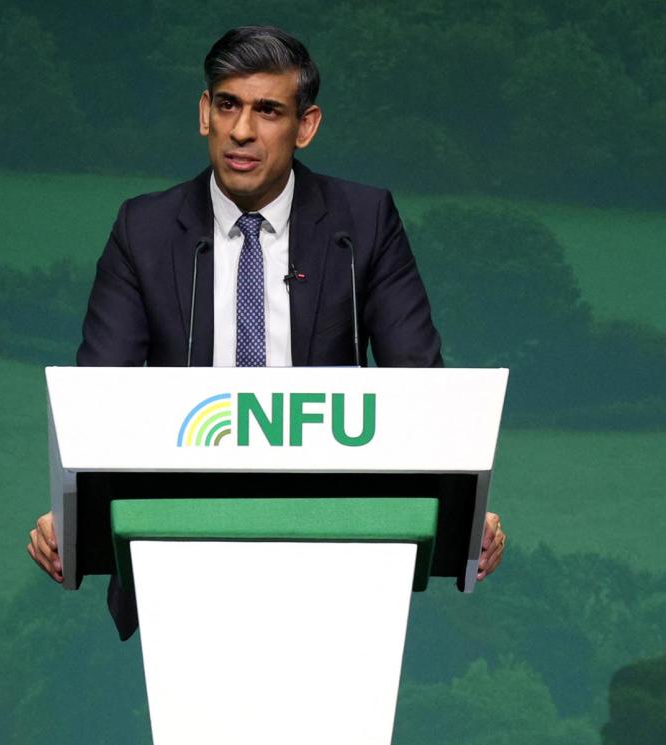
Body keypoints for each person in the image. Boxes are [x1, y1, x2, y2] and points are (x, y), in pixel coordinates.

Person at [27, 25, 506, 635]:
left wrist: (467, 509)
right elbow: (101, 397)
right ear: (205, 113)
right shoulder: (143, 230)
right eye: (227, 105)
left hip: (339, 549)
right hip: (178, 548)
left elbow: (418, 386)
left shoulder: (361, 223)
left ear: (305, 126)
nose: (242, 131)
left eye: (268, 111)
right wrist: (68, 512)